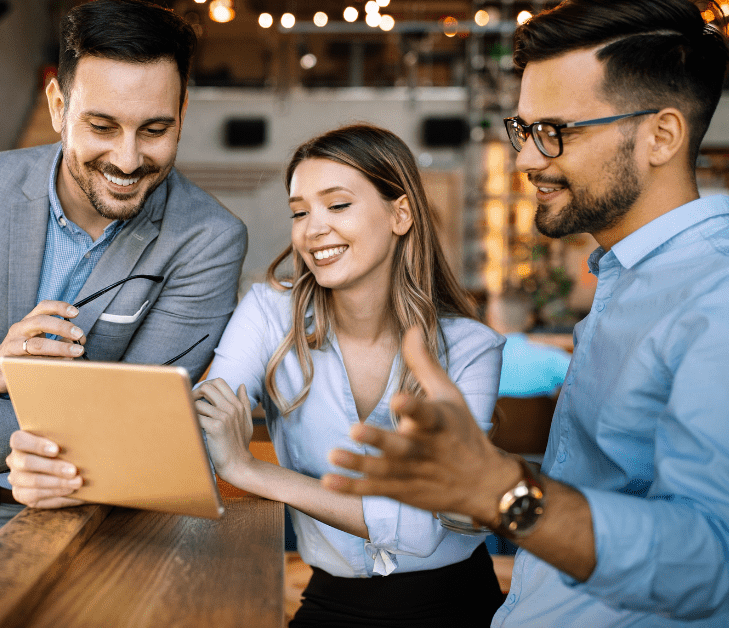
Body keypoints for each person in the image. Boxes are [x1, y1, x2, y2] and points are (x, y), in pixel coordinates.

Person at [323, 1, 729, 626]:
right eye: (522, 130)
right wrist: (467, 484)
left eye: (557, 131)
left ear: (661, 135)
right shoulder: (629, 280)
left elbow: (708, 560)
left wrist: (504, 490)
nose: (527, 159)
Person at [0, 1, 247, 625]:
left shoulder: (208, 240)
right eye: (102, 126)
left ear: (183, 112)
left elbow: (131, 424)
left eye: (155, 129)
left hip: (73, 526)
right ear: (58, 106)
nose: (129, 160)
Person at [194, 124, 506, 627]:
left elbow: (421, 529)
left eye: (337, 206)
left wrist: (252, 472)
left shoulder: (471, 348)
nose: (312, 229)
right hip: (332, 600)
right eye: (299, 212)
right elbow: (204, 418)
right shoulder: (269, 314)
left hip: (458, 604)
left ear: (400, 214)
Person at [485, 290, 570, 398]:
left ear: (489, 318)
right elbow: (587, 386)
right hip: (543, 415)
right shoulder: (555, 357)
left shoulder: (478, 362)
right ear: (529, 319)